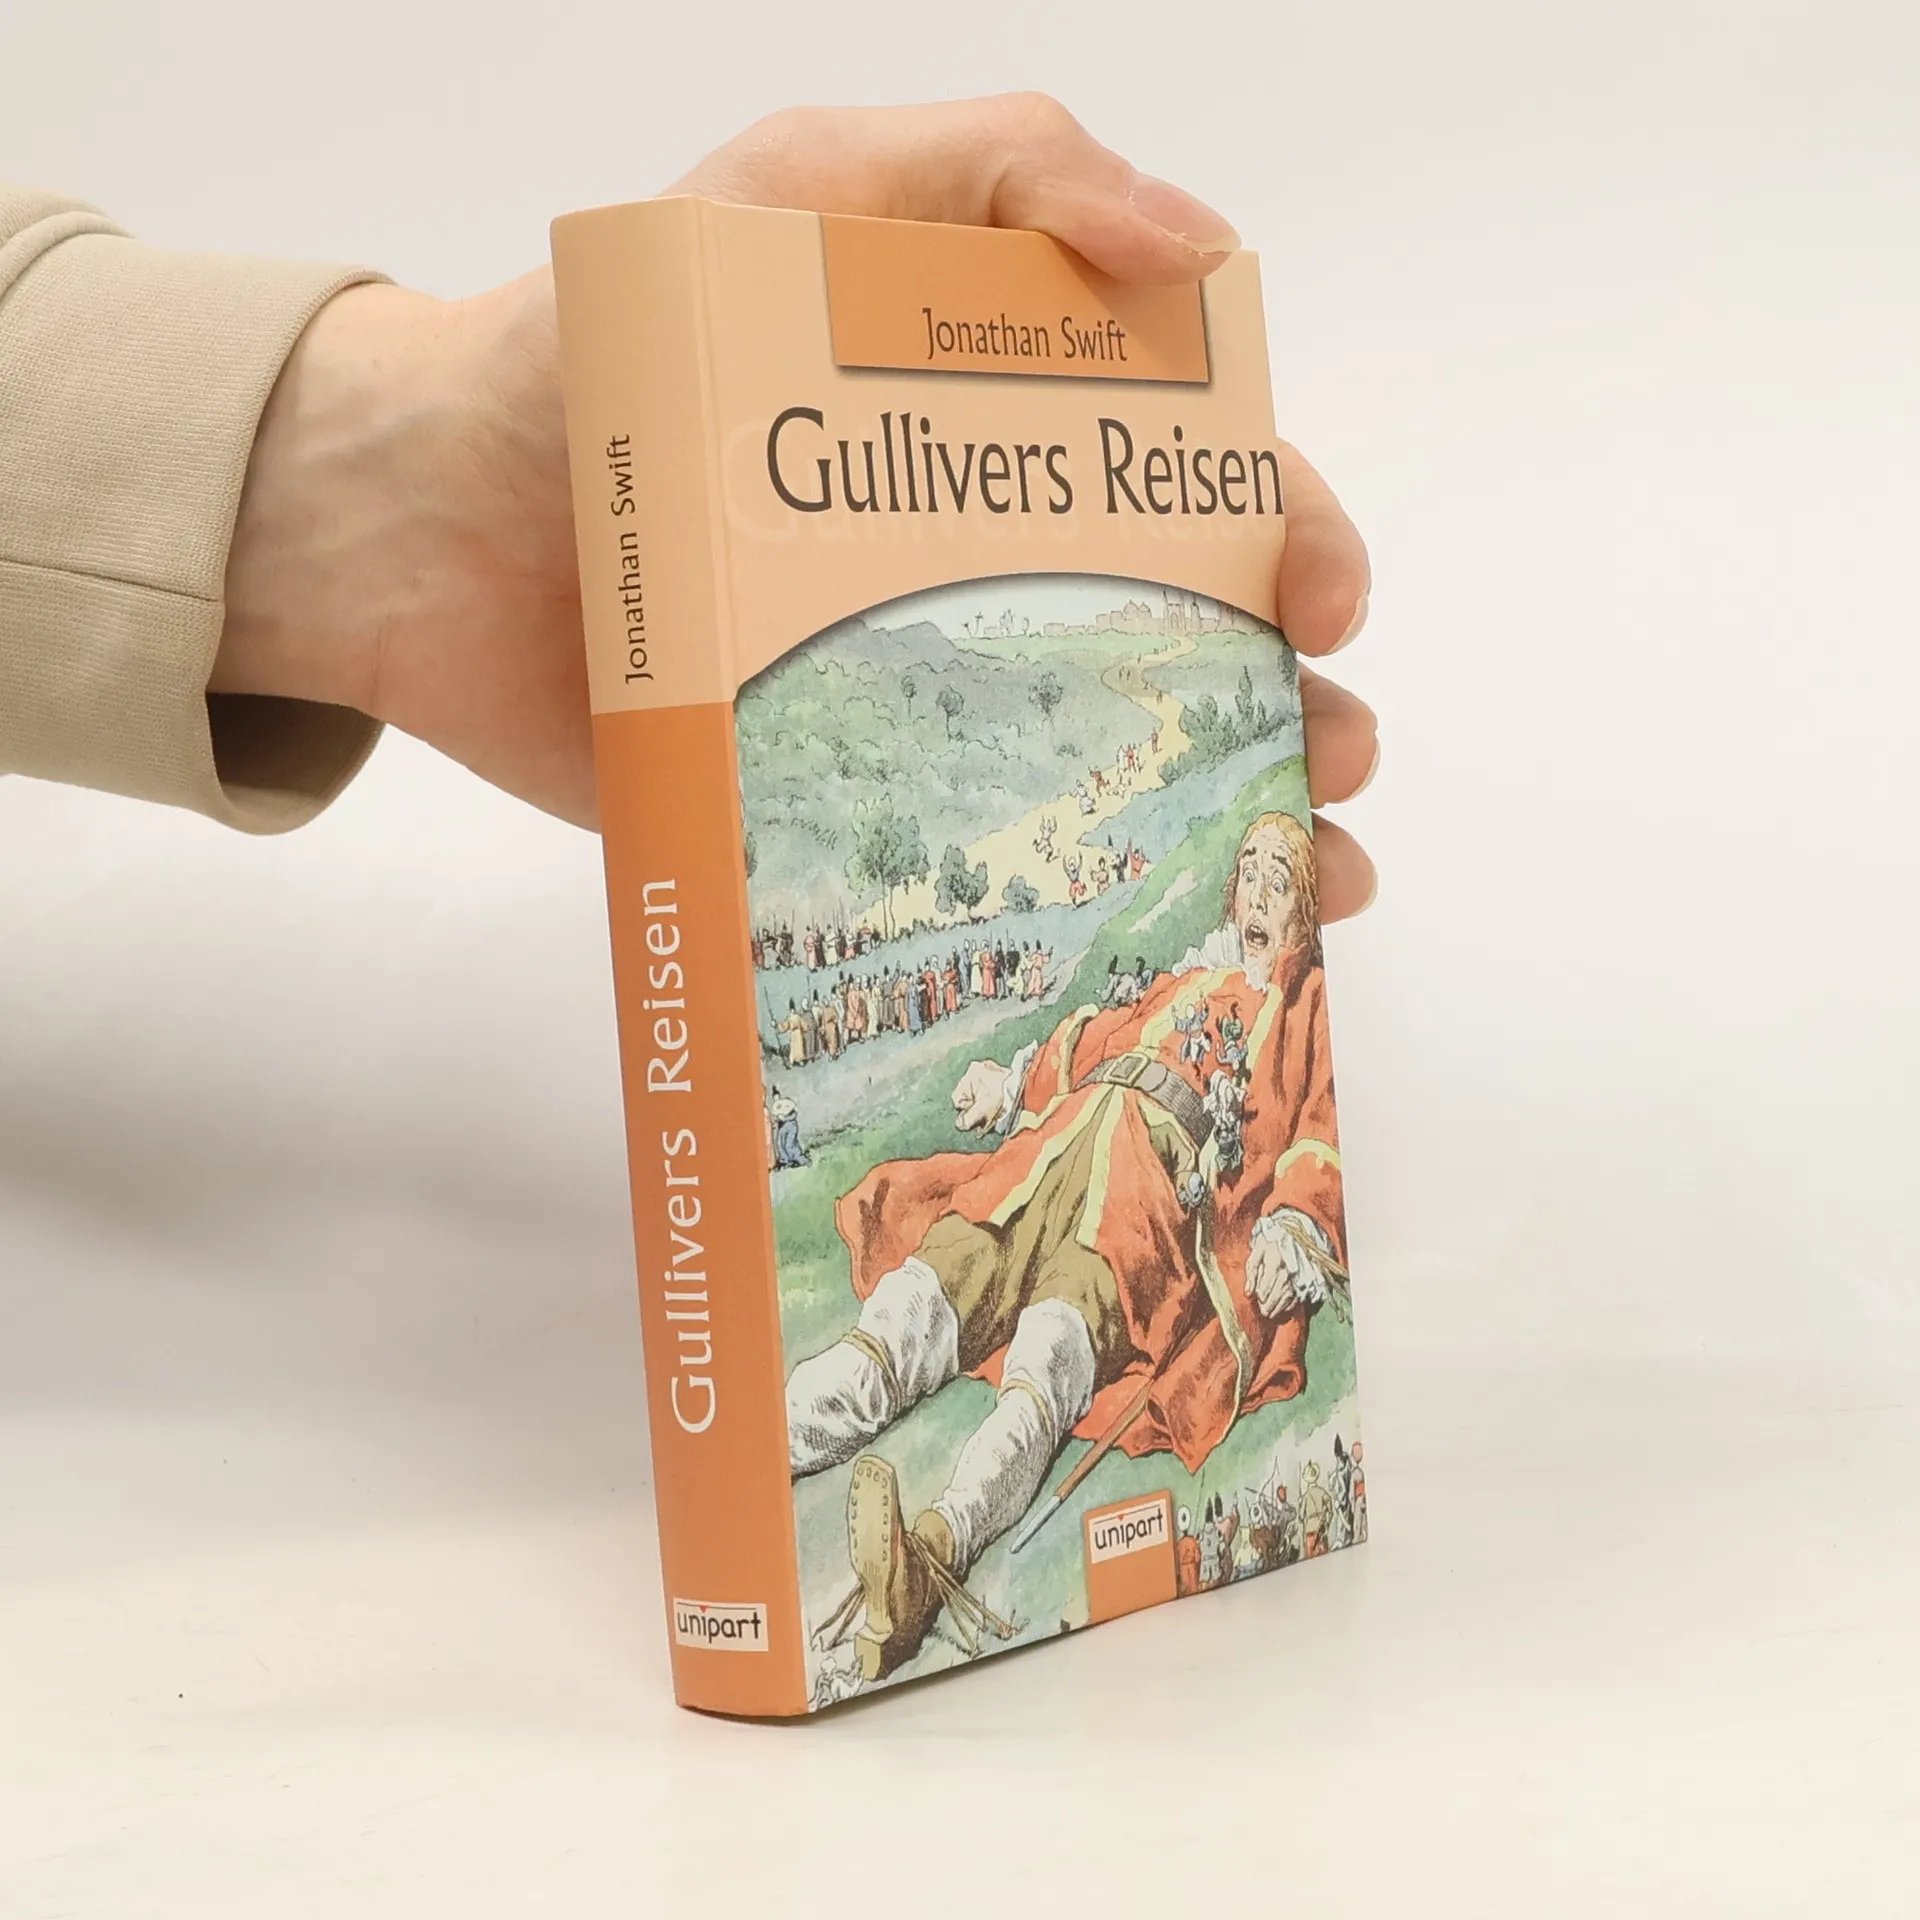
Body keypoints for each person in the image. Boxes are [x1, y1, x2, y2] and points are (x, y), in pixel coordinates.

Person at [787, 810, 1349, 1679]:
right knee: (926, 1294)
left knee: (1050, 1353)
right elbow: (1096, 1041)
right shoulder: (1188, 981)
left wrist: (1295, 1227)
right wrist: (1012, 1079)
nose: (1257, 896)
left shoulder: (1308, 1006)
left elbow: (1320, 1130)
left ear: (1304, 912)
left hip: (1145, 1203)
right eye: (1249, 875)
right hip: (1048, 1153)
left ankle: (928, 1559)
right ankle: (766, 1447)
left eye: (1279, 883)